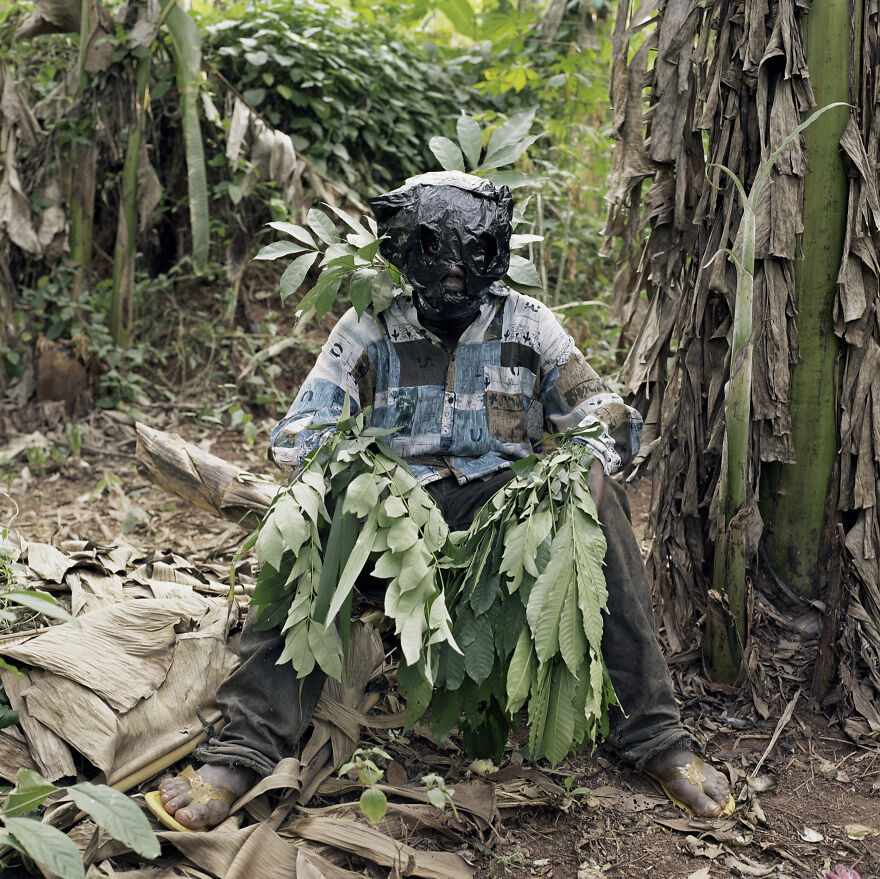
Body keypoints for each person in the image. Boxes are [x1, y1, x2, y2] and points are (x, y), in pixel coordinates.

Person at [158, 172, 731, 829]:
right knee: (315, 509)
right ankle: (245, 745)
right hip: (391, 519)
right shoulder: (368, 327)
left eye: (474, 254)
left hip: (500, 518)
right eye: (436, 252)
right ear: (404, 249)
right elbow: (298, 433)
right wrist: (350, 468)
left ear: (496, 251)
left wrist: (597, 447)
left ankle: (656, 738)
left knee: (599, 499)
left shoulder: (529, 324)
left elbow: (597, 408)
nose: (455, 272)